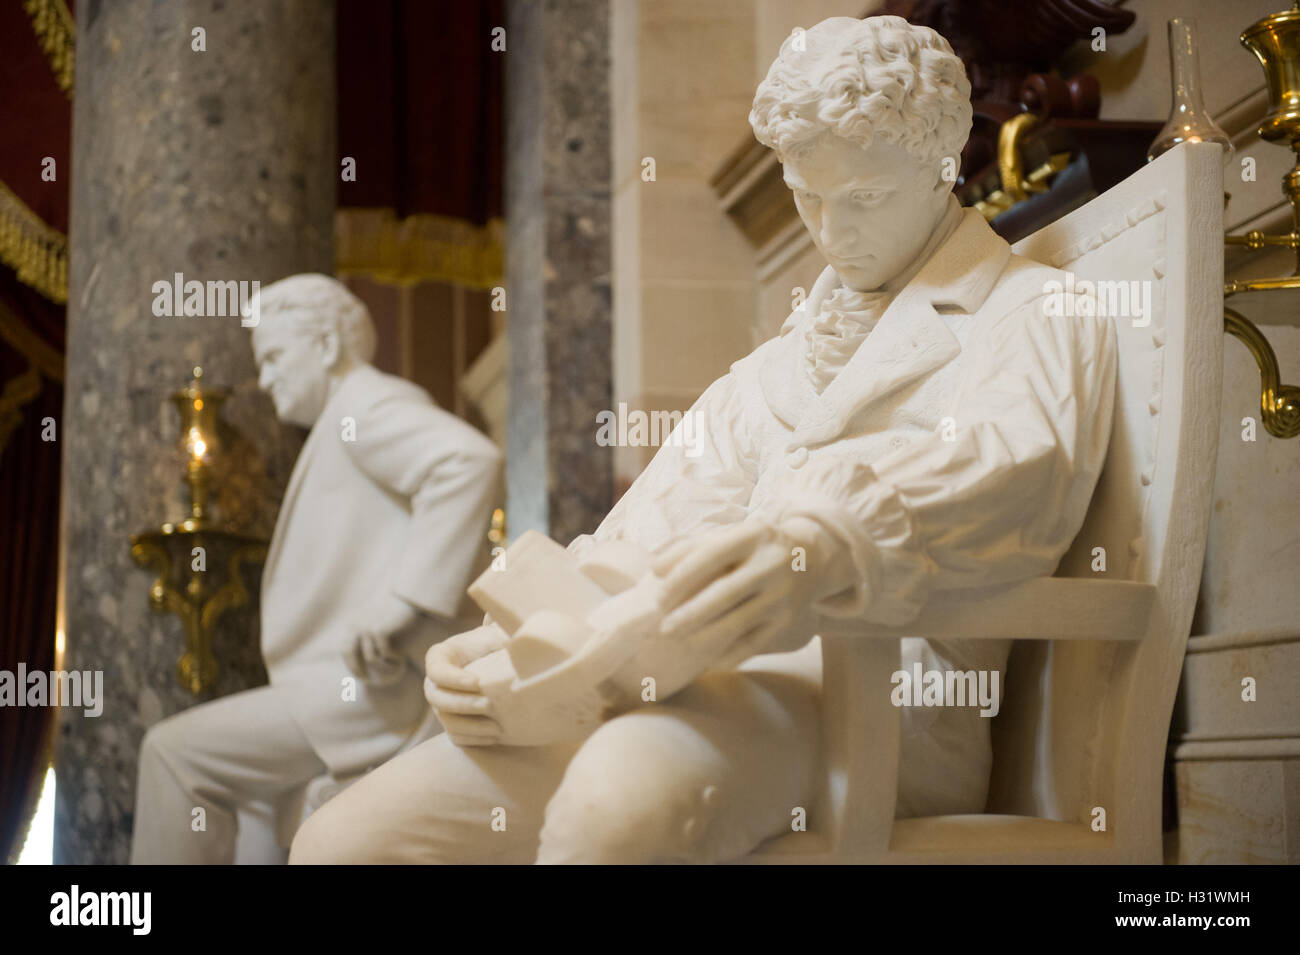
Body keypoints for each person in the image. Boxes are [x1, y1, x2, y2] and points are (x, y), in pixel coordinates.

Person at [291, 15, 1116, 865]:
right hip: (673, 680)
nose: (832, 232)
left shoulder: (1033, 310)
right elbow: (642, 533)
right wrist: (515, 640)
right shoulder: (768, 369)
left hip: (875, 694)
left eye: (862, 198)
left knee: (621, 800)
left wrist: (826, 543)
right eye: (807, 196)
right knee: (347, 839)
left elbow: (1020, 470)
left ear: (944, 165)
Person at [130, 274, 502, 864]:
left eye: (276, 358)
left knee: (173, 754)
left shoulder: (366, 404)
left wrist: (403, 603)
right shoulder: (343, 419)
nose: (267, 378)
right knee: (259, 807)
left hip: (364, 688)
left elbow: (468, 462)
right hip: (333, 688)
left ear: (326, 347)